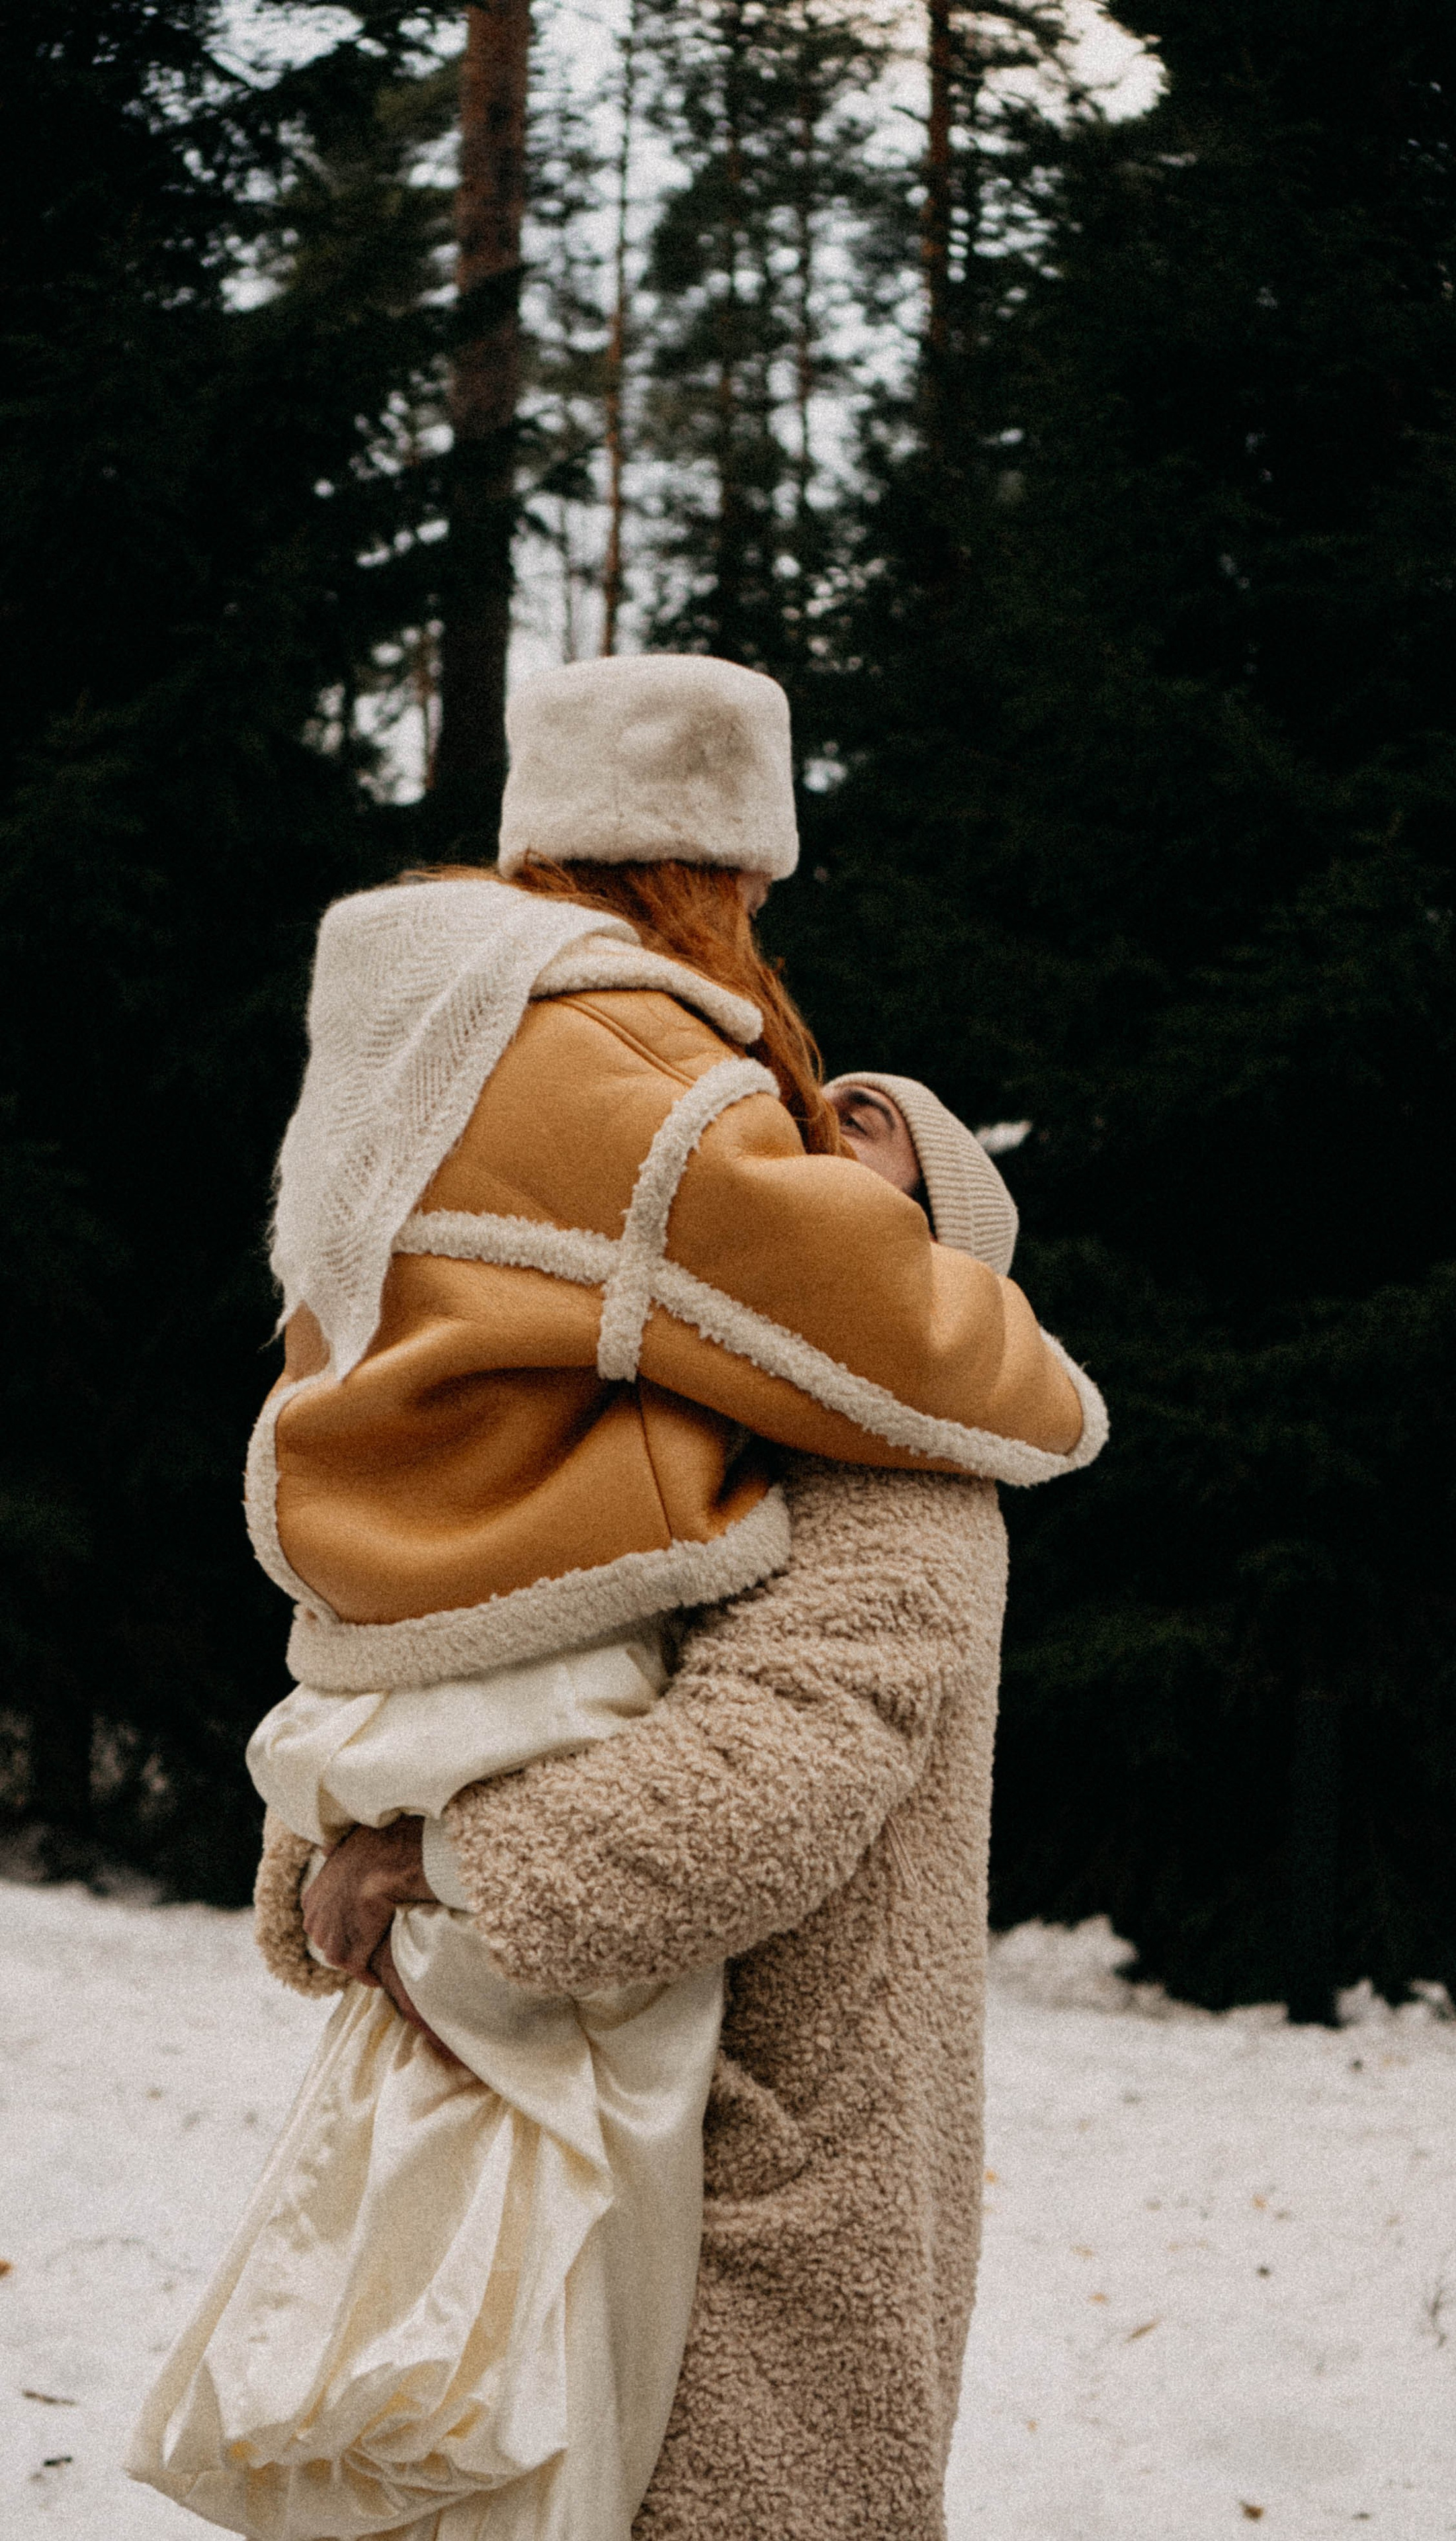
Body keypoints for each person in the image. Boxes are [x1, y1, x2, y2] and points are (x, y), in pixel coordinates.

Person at [129, 652, 1106, 2541]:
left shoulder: (902, 1494)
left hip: (759, 2211)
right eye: (837, 1126)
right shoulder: (666, 1427)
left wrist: (420, 1858)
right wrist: (354, 1825)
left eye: (875, 1165)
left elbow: (768, 1783)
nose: (831, 1143)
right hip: (593, 2166)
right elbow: (547, 1664)